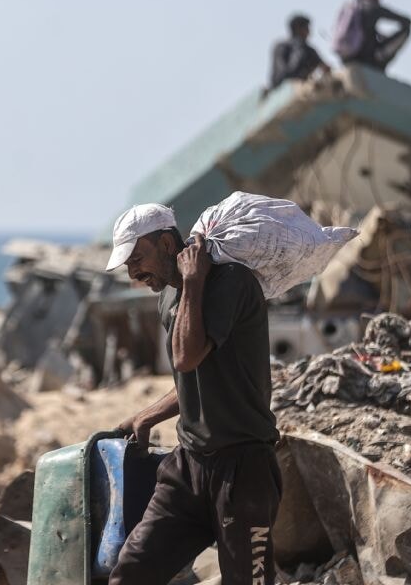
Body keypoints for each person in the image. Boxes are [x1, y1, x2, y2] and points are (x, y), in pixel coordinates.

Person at [104, 203, 281, 585]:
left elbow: (186, 357)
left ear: (168, 243)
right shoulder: (170, 295)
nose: (134, 273)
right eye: (128, 266)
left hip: (242, 471)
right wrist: (148, 415)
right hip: (188, 468)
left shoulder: (229, 281)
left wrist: (195, 282)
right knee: (130, 573)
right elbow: (194, 380)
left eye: (138, 258)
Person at [334, 0, 411, 72]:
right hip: (366, 58)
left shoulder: (351, 7)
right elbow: (406, 21)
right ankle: (380, 58)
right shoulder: (372, 8)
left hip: (346, 57)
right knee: (407, 29)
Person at [264, 13, 329, 97]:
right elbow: (282, 74)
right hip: (282, 90)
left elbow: (325, 68)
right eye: (306, 28)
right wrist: (299, 47)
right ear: (298, 29)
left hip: (304, 91)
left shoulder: (309, 50)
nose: (309, 32)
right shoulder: (282, 47)